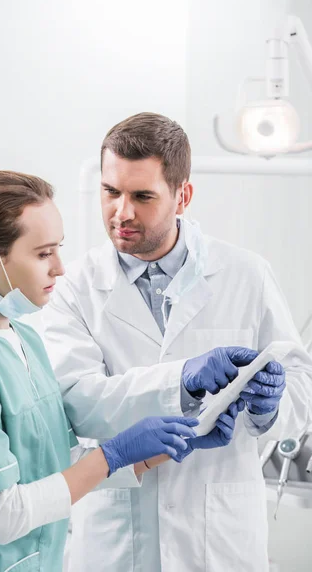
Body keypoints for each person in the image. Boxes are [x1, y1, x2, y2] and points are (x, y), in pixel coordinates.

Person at [0, 170, 244, 572]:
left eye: (58, 249)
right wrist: (113, 452)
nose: (60, 268)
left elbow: (60, 464)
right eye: (42, 253)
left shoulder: (22, 339)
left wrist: (156, 451)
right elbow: (3, 517)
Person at [43, 113, 312, 572]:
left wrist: (272, 408)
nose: (121, 212)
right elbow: (74, 402)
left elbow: (301, 389)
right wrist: (181, 380)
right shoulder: (73, 287)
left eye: (142, 196)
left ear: (183, 196)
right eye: (111, 192)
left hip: (220, 540)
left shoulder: (245, 274)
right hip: (116, 541)